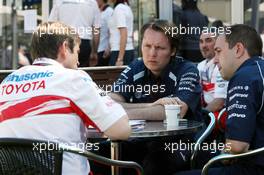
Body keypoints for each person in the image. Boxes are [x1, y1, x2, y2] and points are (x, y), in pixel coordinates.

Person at [0, 22, 131, 175]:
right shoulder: (73, 78)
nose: (78, 61)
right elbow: (122, 130)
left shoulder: (6, 83)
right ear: (64, 48)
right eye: (77, 51)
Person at [109, 19, 202, 175]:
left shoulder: (188, 69)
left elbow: (174, 111)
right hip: (141, 140)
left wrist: (120, 109)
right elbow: (109, 102)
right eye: (147, 46)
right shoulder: (136, 66)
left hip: (179, 142)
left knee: (155, 164)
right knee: (102, 154)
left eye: (159, 48)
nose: (152, 53)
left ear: (172, 50)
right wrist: (152, 107)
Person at [176, 24, 264, 175]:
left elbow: (237, 147)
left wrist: (223, 150)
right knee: (196, 155)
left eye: (218, 51)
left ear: (238, 49)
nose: (215, 60)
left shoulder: (244, 77)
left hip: (253, 166)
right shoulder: (258, 69)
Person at [49, 0, 101, 67]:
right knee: (83, 72)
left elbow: (51, 25)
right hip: (84, 43)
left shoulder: (60, 1)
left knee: (64, 72)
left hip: (65, 42)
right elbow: (96, 29)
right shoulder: (92, 2)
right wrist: (94, 52)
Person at [198, 31, 228, 131]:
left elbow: (219, 102)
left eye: (208, 41)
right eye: (201, 42)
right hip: (208, 110)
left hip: (222, 112)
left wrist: (199, 114)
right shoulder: (200, 65)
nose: (204, 45)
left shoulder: (223, 66)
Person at [108, 0, 134, 66]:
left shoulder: (119, 9)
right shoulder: (126, 7)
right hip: (127, 50)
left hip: (119, 51)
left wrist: (120, 59)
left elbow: (124, 33)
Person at [96, 0, 113, 66]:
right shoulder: (97, 11)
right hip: (96, 50)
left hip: (104, 50)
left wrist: (108, 47)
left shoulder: (109, 11)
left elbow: (111, 30)